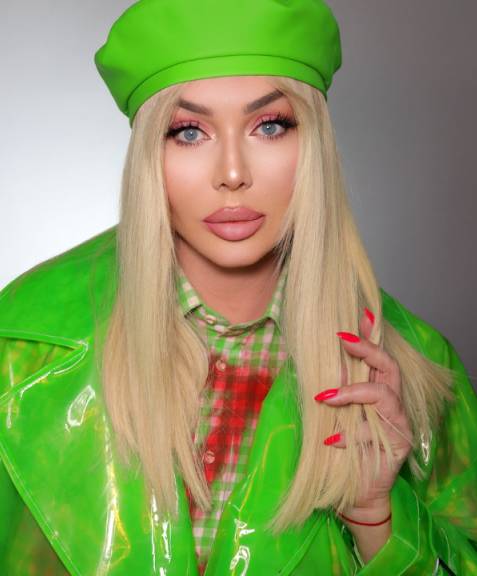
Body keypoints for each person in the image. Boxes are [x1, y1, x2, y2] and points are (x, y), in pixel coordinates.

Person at [0, 0, 476, 574]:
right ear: (149, 153)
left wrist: (379, 517)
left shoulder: (414, 368)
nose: (232, 173)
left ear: (314, 145)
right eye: (189, 131)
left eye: (269, 126)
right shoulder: (20, 349)